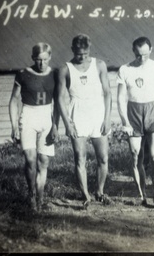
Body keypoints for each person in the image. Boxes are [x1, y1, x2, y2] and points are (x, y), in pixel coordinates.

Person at [57, 34, 112, 209]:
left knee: (103, 158)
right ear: (73, 50)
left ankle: (100, 191)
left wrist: (107, 118)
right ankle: (86, 195)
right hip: (77, 113)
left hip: (97, 112)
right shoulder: (65, 69)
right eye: (79, 53)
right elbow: (59, 98)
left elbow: (108, 93)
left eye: (86, 53)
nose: (83, 57)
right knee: (80, 158)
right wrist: (67, 123)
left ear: (90, 49)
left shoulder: (99, 65)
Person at [117, 36, 154, 208]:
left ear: (151, 50)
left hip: (153, 114)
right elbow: (120, 99)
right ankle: (142, 194)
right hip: (134, 115)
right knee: (135, 156)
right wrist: (125, 122)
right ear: (134, 51)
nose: (142, 58)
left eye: (146, 54)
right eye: (139, 55)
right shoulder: (125, 69)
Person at [9, 42, 59, 211]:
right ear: (32, 58)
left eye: (45, 60)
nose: (41, 63)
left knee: (43, 161)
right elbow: (13, 101)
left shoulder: (55, 74)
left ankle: (40, 196)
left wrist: (56, 126)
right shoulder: (23, 74)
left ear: (50, 57)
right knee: (31, 160)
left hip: (47, 116)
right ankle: (31, 195)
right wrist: (14, 125)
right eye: (38, 60)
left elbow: (59, 102)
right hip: (29, 115)